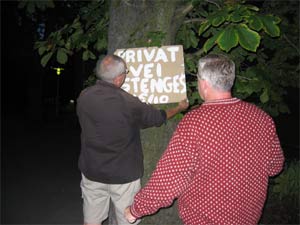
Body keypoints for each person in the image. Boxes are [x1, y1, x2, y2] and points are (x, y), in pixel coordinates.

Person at [125, 54, 285, 225]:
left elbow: (170, 178)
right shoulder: (261, 118)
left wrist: (137, 209)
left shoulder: (195, 122)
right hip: (248, 218)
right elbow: (275, 166)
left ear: (204, 83)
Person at [76, 54, 189, 225]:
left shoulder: (84, 97)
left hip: (92, 172)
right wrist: (179, 107)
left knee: (91, 220)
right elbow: (158, 117)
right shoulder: (129, 103)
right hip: (123, 177)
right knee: (126, 220)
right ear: (119, 78)